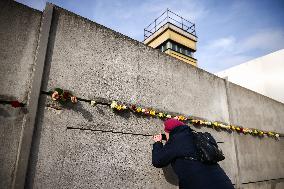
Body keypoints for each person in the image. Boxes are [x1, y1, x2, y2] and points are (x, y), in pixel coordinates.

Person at [152, 119, 234, 189]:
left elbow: (158, 161)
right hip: (224, 183)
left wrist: (158, 143)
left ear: (168, 131)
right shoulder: (195, 135)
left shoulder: (176, 141)